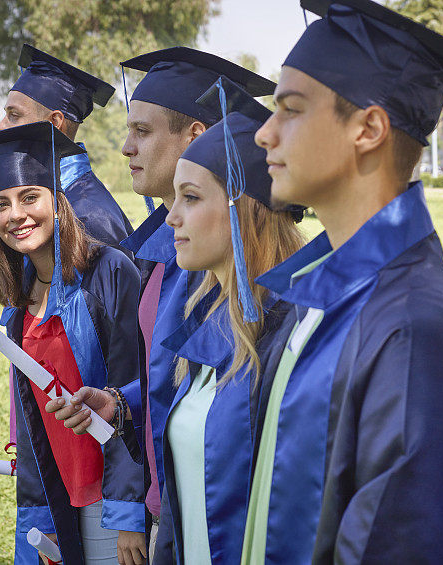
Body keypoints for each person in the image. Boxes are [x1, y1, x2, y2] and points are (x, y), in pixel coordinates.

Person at [242, 1, 443, 562]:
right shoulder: (318, 295)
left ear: (369, 128)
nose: (264, 134)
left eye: (290, 109)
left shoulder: (415, 332)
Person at [47, 48, 276, 558]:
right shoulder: (159, 254)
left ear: (195, 135)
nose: (126, 147)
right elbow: (176, 379)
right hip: (168, 502)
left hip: (211, 510)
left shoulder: (227, 269)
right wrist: (122, 401)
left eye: (143, 132)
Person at [0, 122, 146, 565]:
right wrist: (35, 517)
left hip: (107, 497)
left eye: (29, 197)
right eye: (1, 204)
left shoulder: (109, 271)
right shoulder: (17, 301)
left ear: (58, 201)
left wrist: (128, 512)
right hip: (54, 496)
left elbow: (134, 390)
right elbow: (32, 422)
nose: (15, 215)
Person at [153, 79, 304, 564]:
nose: (172, 216)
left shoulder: (296, 329)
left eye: (191, 198)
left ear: (245, 213)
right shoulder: (207, 317)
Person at [0, 43, 133, 246]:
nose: (0, 127)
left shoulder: (90, 217)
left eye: (14, 115)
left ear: (54, 123)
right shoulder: (45, 199)